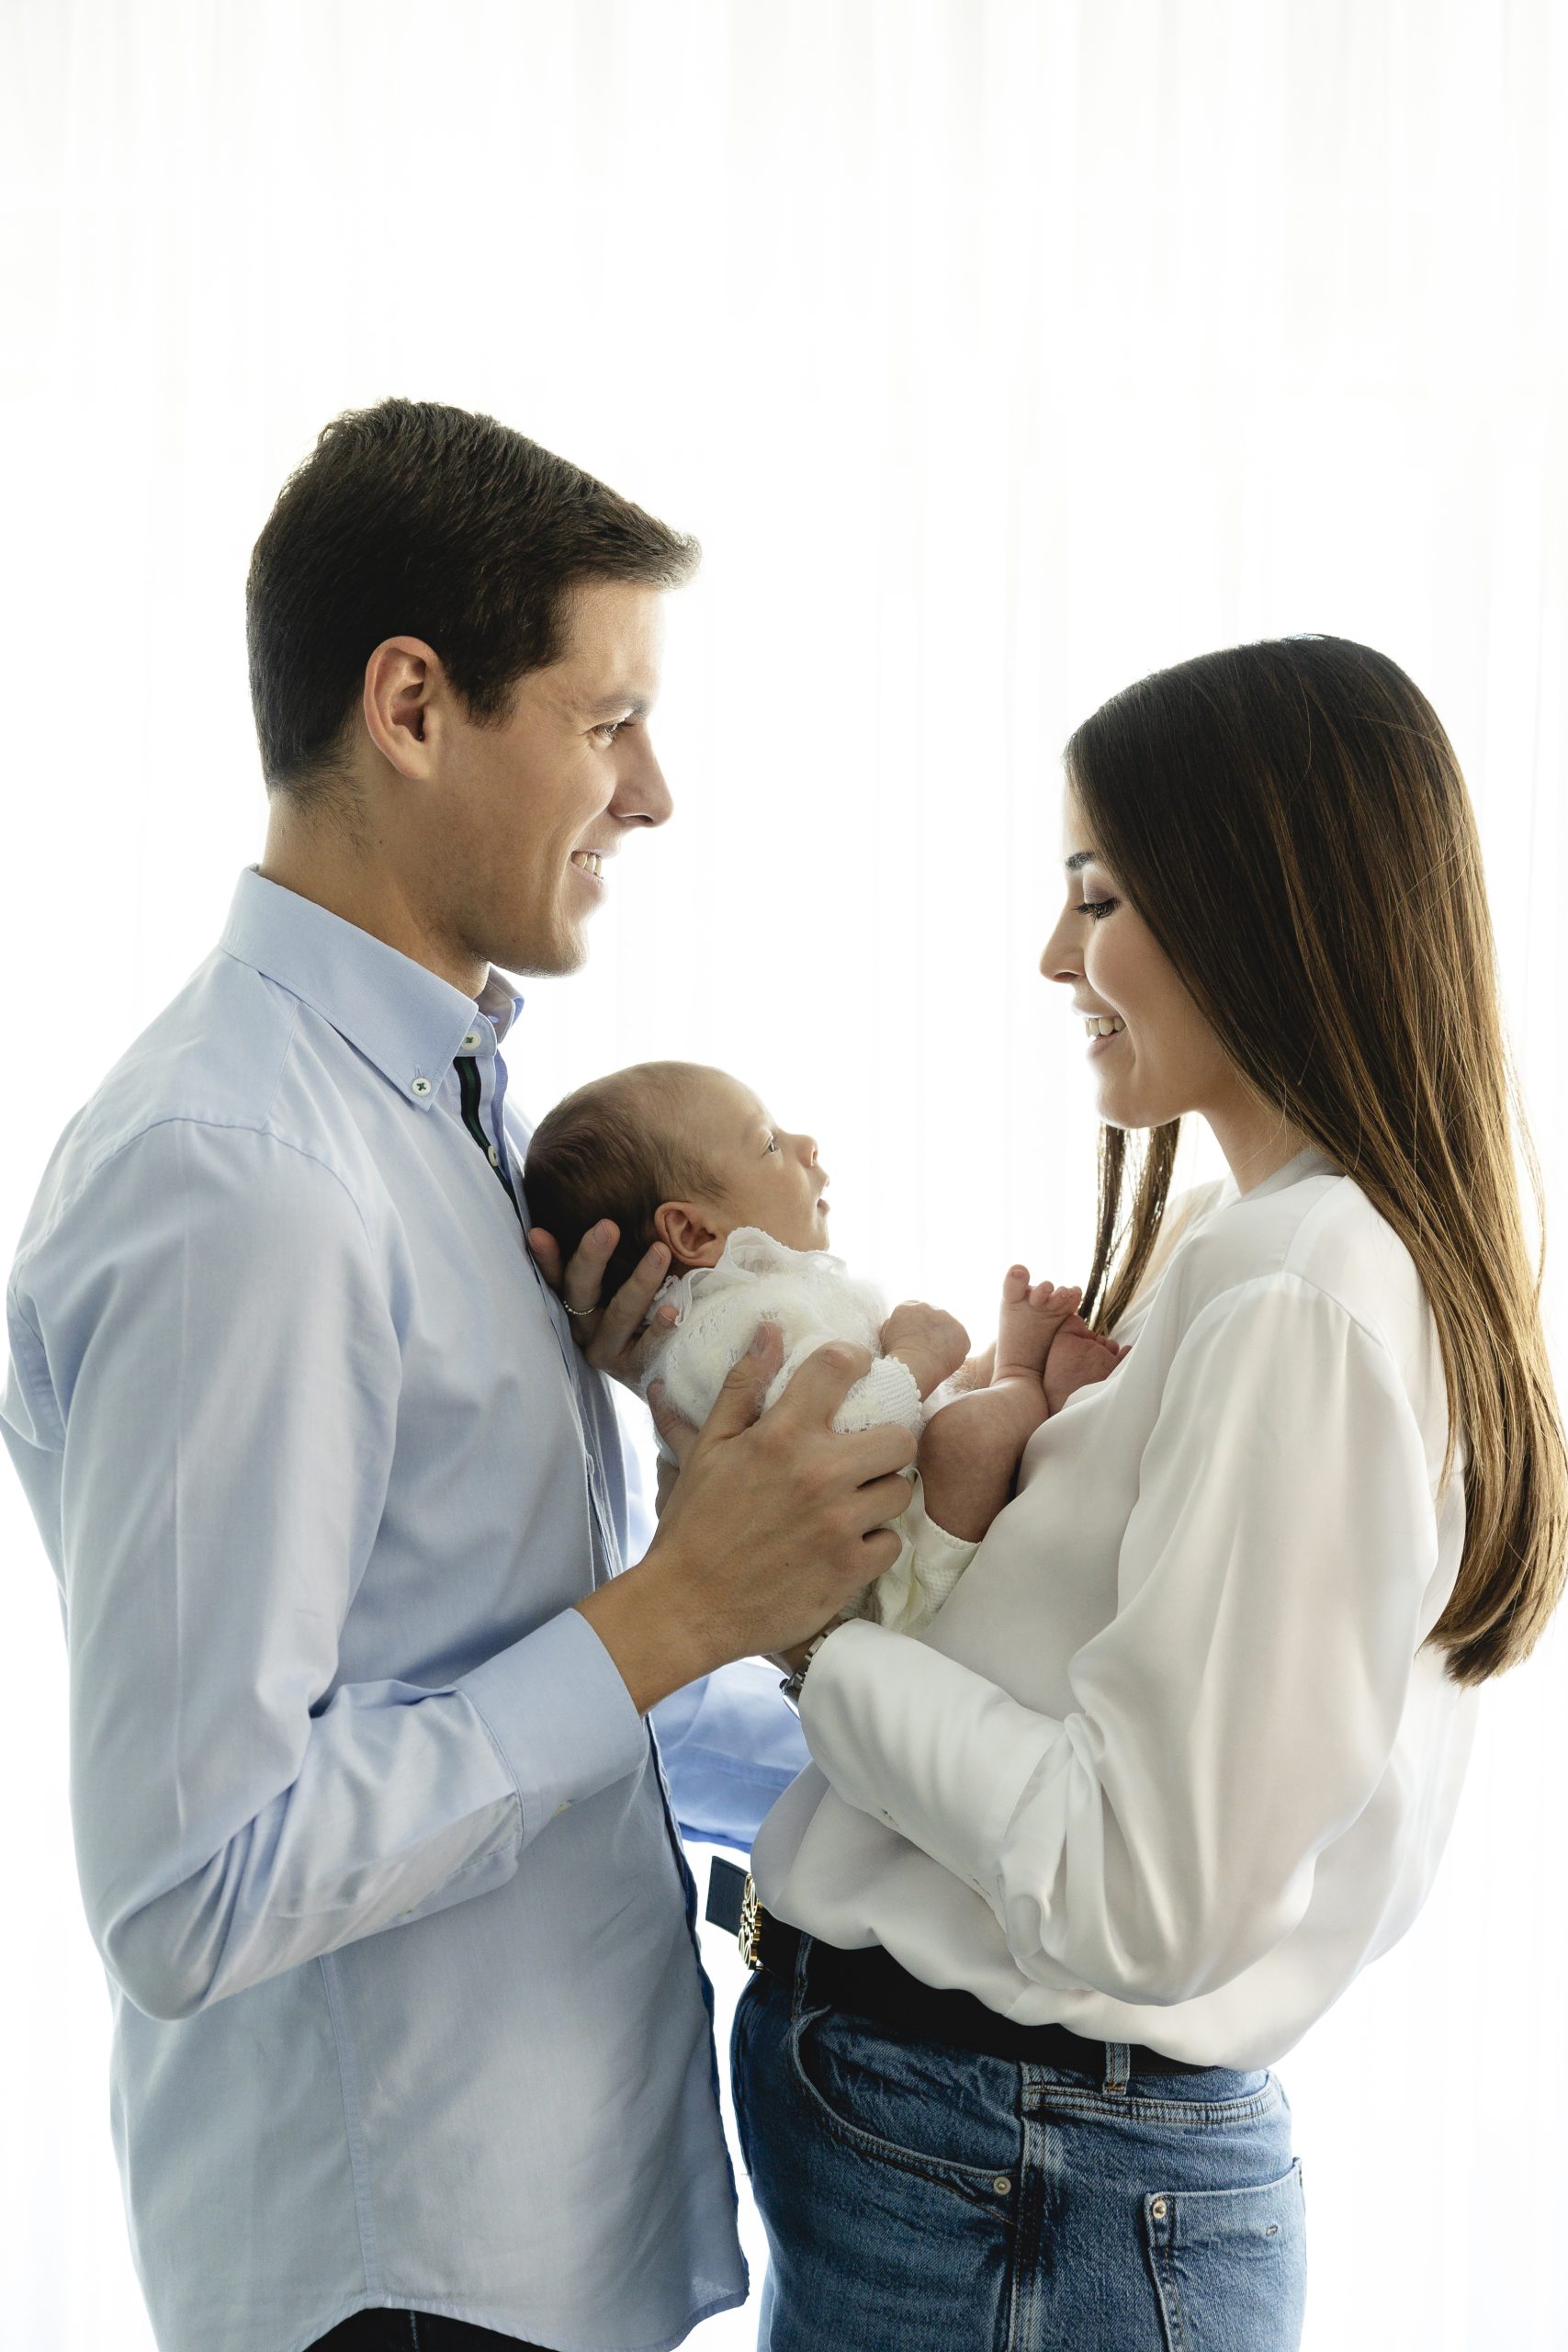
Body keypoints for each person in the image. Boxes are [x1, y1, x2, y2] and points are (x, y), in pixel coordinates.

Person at [0, 399, 915, 2352]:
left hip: (529, 2247)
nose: (652, 793)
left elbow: (483, 1665)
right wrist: (672, 1610)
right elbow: (194, 1882)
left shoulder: (435, 1114)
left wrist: (908, 1750)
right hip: (406, 2282)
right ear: (411, 706)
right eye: (608, 721)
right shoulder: (239, 1174)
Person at [644, 637, 1568, 2351]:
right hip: (991, 2158)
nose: (1053, 955)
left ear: (1256, 905)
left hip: (1015, 2172)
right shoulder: (1240, 1249)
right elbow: (1050, 1714)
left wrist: (812, 1641)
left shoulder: (1300, 1289)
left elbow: (1137, 1891)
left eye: (1095, 897)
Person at [525, 1057, 1129, 1634]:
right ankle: (1023, 1377)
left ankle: (1016, 1382)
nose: (806, 1143)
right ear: (694, 1231)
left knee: (964, 1408)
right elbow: (838, 1437)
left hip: (905, 1506)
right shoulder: (721, 1334)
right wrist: (920, 1358)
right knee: (971, 1436)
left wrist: (932, 1365)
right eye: (768, 1143)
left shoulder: (763, 1296)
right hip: (896, 1582)